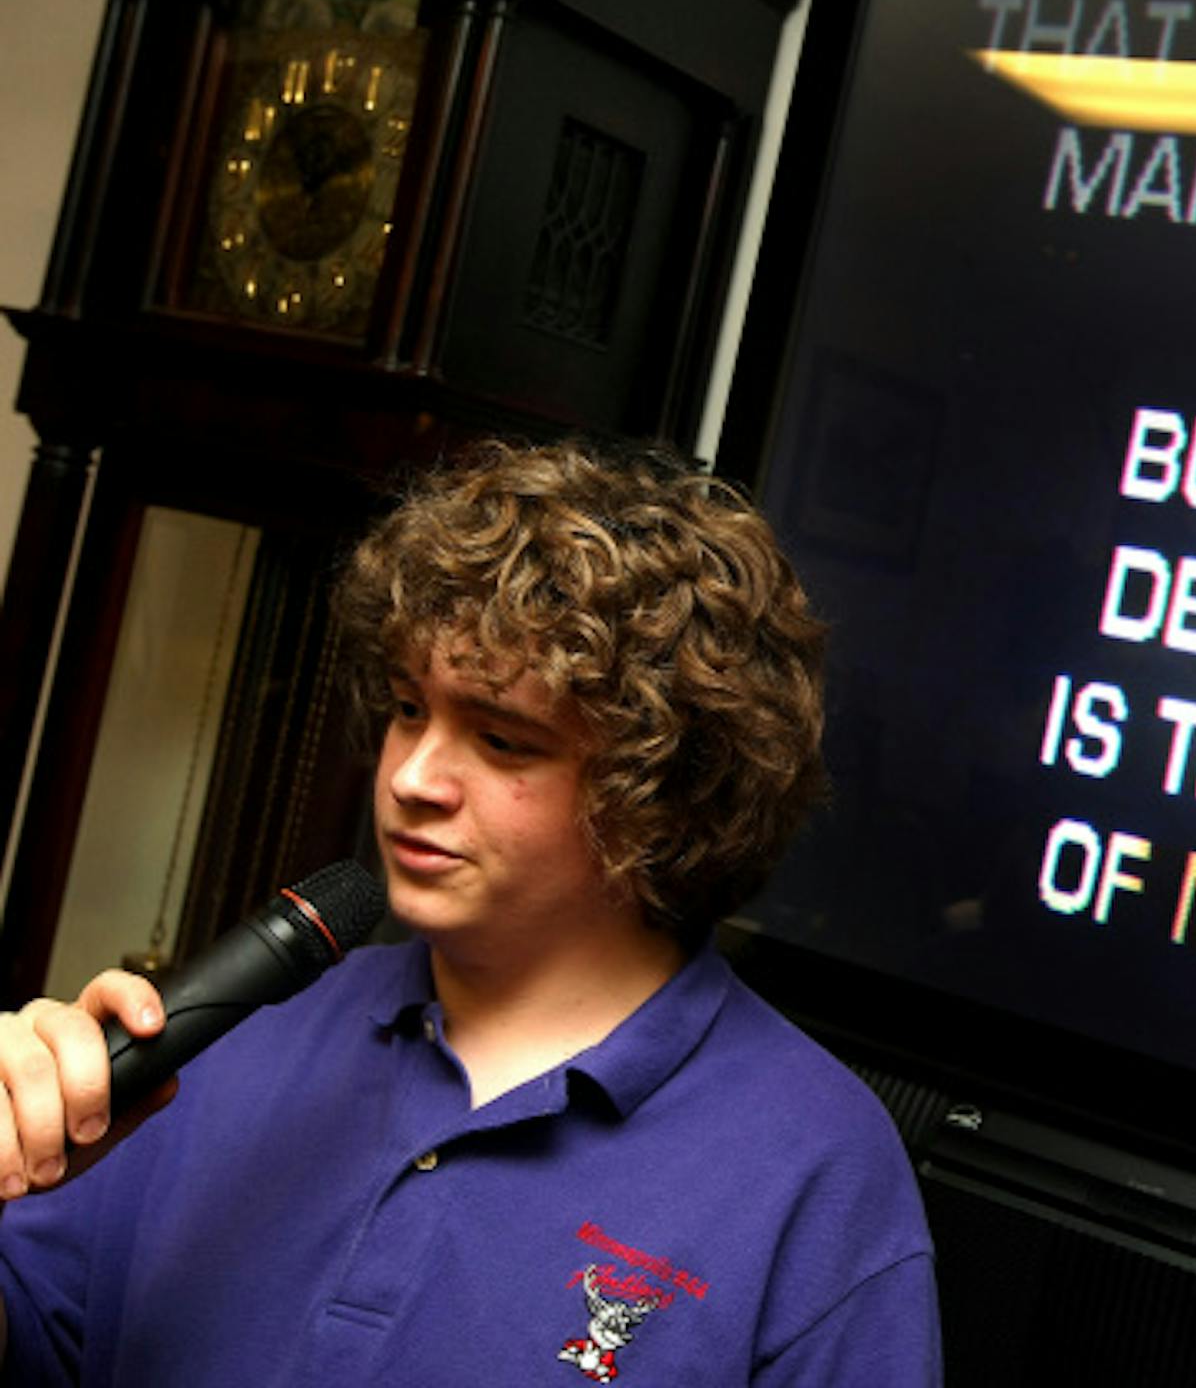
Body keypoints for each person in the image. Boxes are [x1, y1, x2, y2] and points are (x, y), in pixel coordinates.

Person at [0, 439, 941, 1385]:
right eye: (410, 709)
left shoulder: (814, 1168)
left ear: (661, 789)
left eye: (500, 740)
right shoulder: (242, 1028)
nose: (409, 778)